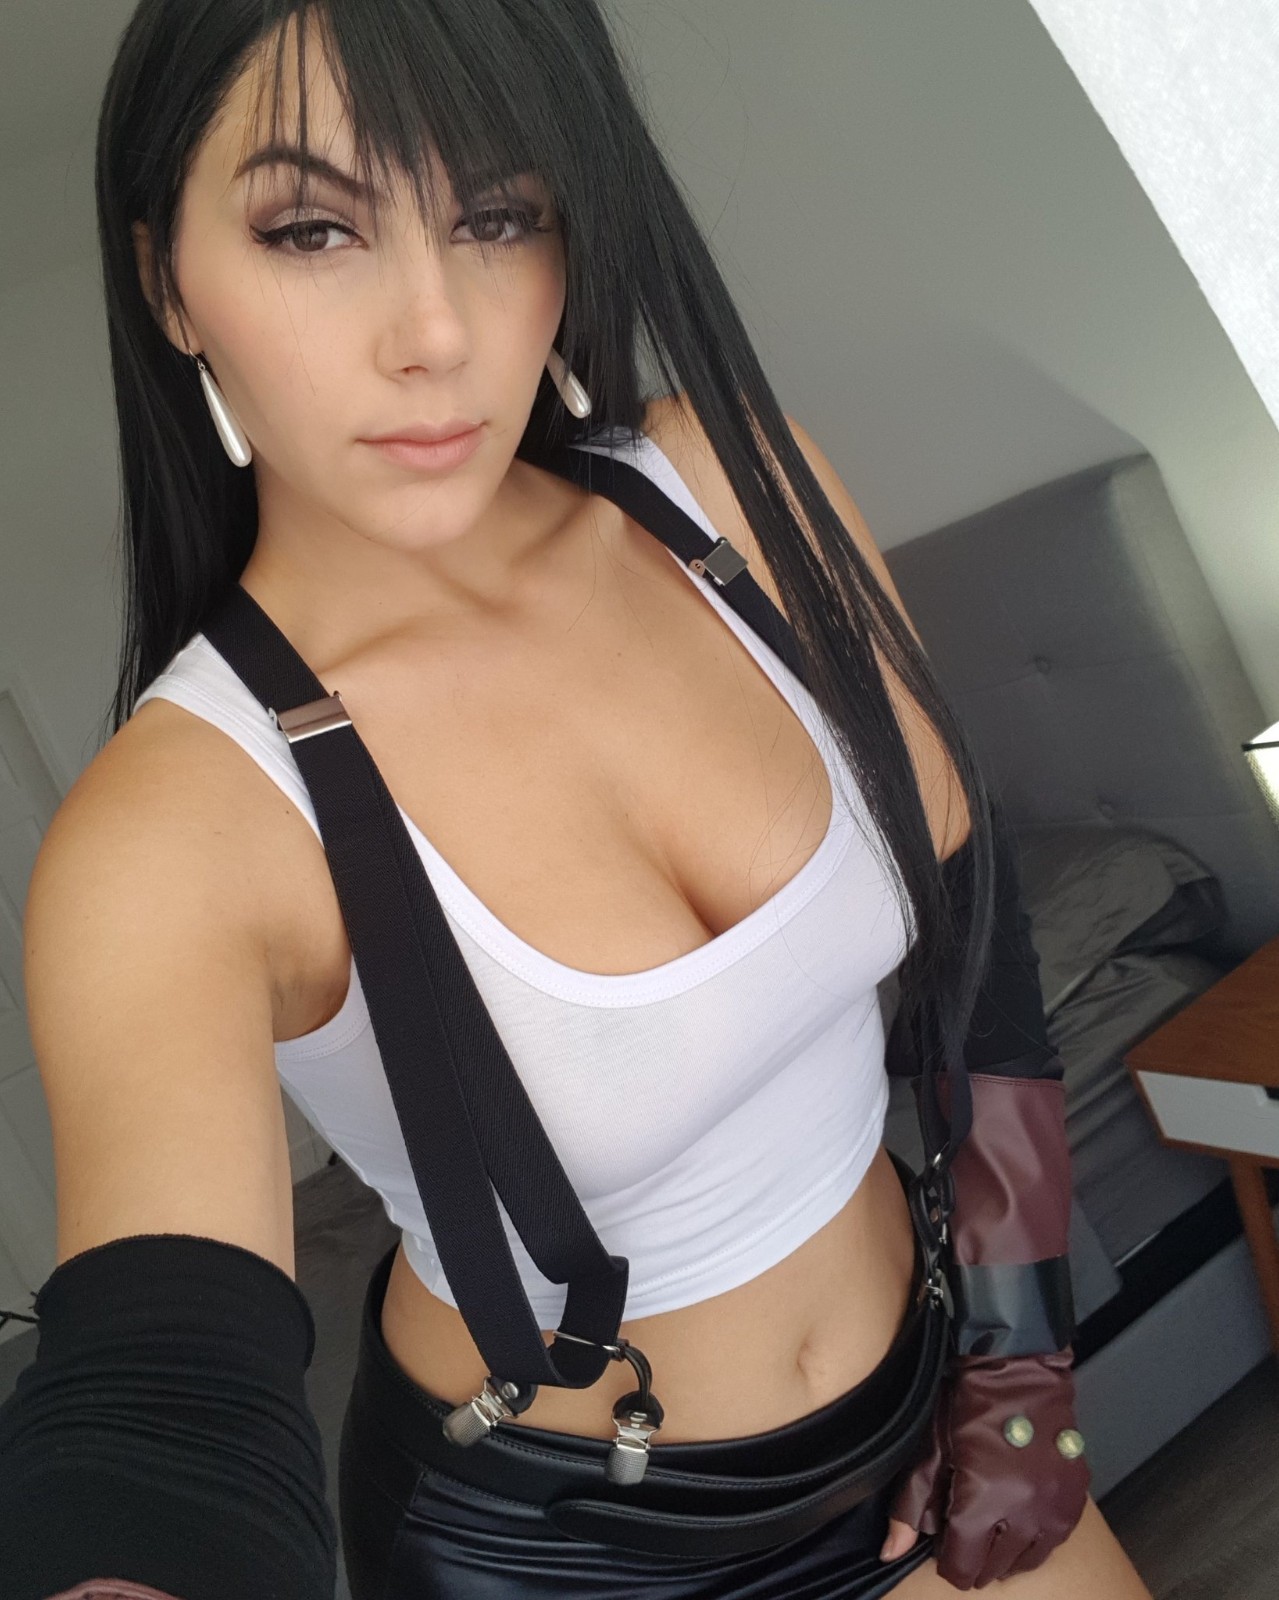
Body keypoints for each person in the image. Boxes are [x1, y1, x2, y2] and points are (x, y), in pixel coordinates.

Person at [0, 2, 1156, 1597]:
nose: (436, 330)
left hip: (938, 1408)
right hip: (560, 1553)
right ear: (167, 285)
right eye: (312, 229)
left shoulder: (737, 493)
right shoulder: (177, 825)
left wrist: (1020, 1357)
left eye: (496, 215)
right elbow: (164, 1398)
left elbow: (972, 917)